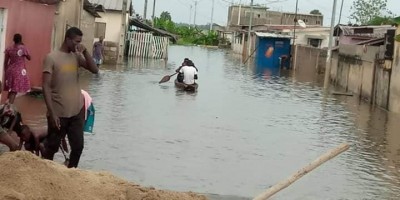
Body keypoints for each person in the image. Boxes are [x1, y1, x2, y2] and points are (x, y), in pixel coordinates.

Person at [41, 27, 99, 168]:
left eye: (80, 42)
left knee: (78, 147)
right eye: (76, 41)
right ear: (67, 39)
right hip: (58, 113)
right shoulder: (51, 58)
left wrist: (85, 51)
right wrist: (52, 113)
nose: (78, 44)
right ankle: (45, 173)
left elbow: (95, 70)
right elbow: (45, 87)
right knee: (52, 147)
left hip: (77, 110)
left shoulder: (76, 57)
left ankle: (71, 172)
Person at [3, 33, 31, 104]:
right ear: (20, 40)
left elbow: (5, 62)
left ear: (13, 40)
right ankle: (9, 107)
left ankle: (7, 104)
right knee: (14, 90)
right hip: (18, 71)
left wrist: (5, 71)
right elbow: (29, 58)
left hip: (10, 70)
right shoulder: (23, 48)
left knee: (11, 89)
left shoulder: (9, 48)